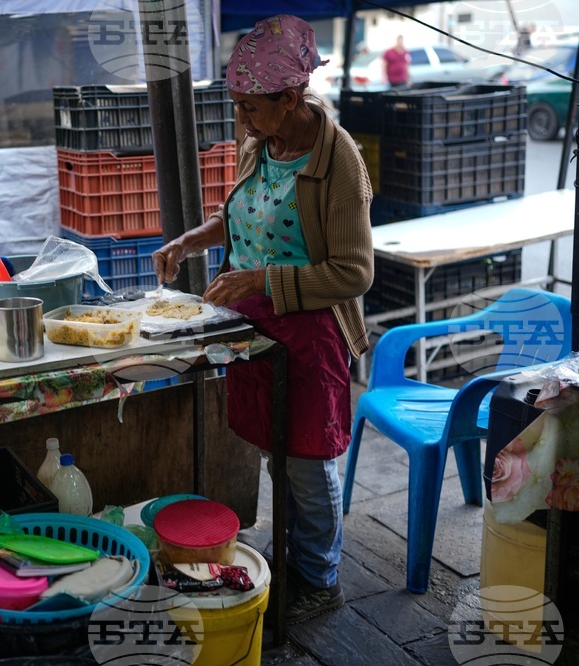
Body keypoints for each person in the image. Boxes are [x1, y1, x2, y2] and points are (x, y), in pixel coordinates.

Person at [152, 14, 373, 624]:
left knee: (310, 460)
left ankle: (320, 579)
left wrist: (261, 280)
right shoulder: (260, 144)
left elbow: (354, 273)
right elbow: (243, 216)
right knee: (279, 452)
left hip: (310, 332)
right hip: (256, 329)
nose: (241, 119)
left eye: (251, 107)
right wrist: (187, 241)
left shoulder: (339, 162)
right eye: (238, 106)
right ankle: (292, 556)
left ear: (291, 97)